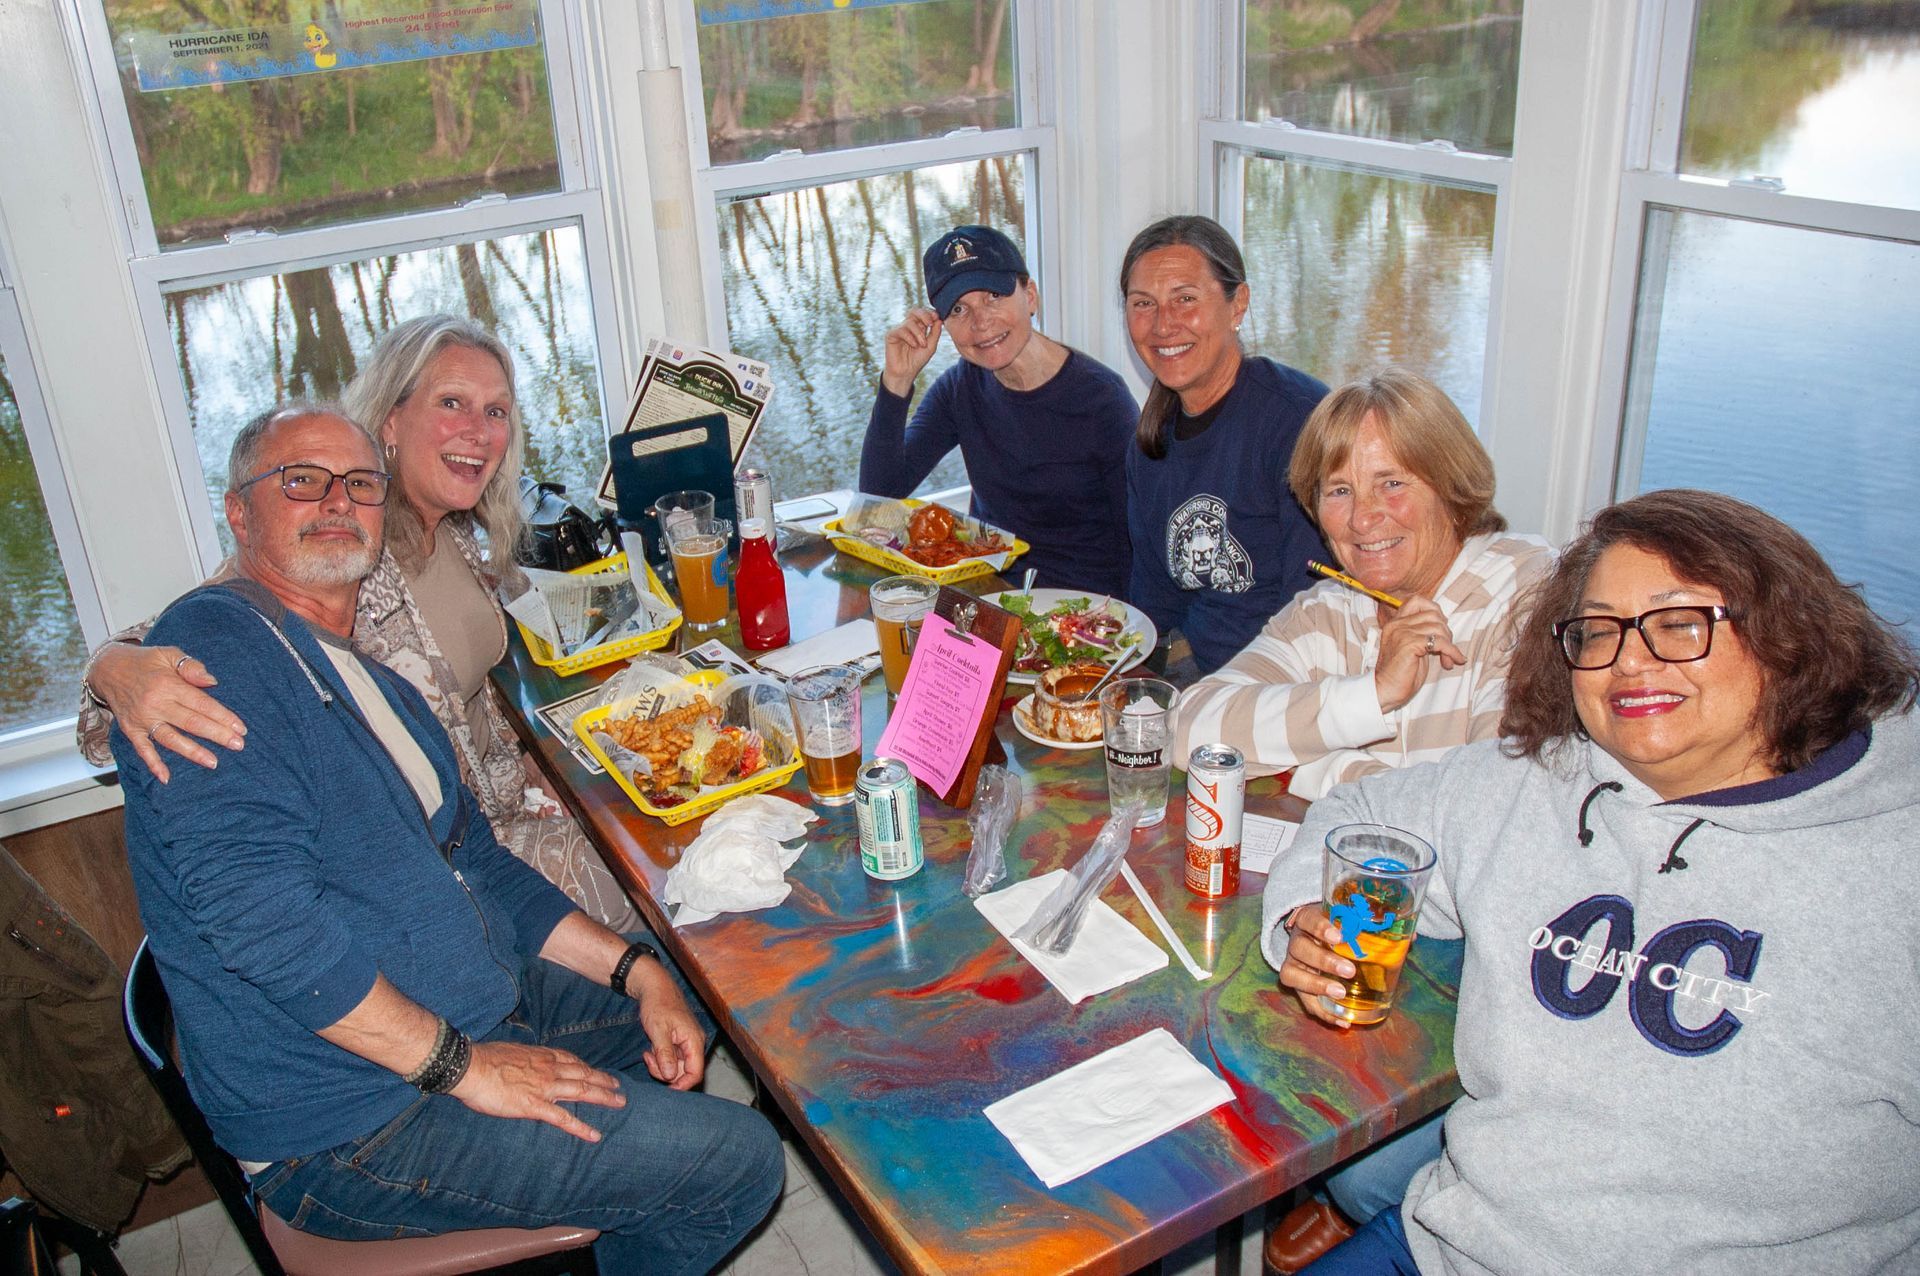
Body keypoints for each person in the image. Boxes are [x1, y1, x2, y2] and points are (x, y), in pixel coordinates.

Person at [118, 404, 782, 1275]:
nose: (335, 502)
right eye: (300, 481)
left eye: (358, 484)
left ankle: (611, 1190)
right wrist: (467, 1070)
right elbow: (258, 921)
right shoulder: (215, 656)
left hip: (469, 1000)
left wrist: (639, 971)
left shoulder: (368, 680)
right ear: (239, 514)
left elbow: (477, 863)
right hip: (352, 1119)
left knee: (708, 983)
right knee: (738, 1160)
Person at [1264, 489, 1920, 1275]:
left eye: (1679, 624)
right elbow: (1358, 814)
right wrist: (1307, 914)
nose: (1630, 661)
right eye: (1597, 632)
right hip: (1456, 1247)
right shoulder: (1529, 785)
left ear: (1788, 633)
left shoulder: (1895, 863)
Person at [77, 315, 640, 931]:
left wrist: (547, 773)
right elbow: (200, 624)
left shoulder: (455, 529)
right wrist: (113, 669)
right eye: (452, 402)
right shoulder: (341, 542)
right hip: (448, 871)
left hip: (512, 806)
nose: (478, 432)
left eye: (497, 412)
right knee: (667, 880)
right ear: (390, 422)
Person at [1169, 369, 1552, 801]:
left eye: (1391, 483)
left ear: (1452, 488)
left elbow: (1496, 802)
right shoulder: (1326, 610)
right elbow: (1188, 729)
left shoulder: (1528, 590)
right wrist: (1373, 693)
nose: (1362, 518)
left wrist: (1317, 766)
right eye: (1339, 491)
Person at [860, 223, 1137, 597]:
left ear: (1031, 296)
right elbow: (879, 497)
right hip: (987, 596)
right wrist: (896, 381)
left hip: (1080, 609)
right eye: (959, 309)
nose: (980, 322)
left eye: (994, 295)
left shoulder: (1103, 402)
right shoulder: (959, 389)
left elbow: (1137, 542)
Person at [1120, 214, 1328, 674]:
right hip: (1190, 670)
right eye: (1143, 304)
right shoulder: (1149, 444)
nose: (1163, 325)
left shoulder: (1298, 421)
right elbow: (1153, 598)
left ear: (1238, 306)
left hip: (1277, 678)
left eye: (1186, 299)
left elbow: (1315, 604)